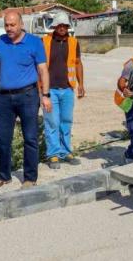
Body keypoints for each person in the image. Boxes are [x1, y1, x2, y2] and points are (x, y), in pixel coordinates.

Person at [0, 12, 52, 191]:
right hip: (4, 97)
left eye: (12, 25)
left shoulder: (34, 42)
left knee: (30, 138)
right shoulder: (1, 41)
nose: (9, 28)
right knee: (2, 139)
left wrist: (45, 95)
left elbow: (43, 70)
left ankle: (30, 178)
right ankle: (3, 176)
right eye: (6, 25)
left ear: (21, 24)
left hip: (28, 96)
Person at [39, 12, 84, 169]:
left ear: (68, 27)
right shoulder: (44, 42)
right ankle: (53, 155)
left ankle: (66, 152)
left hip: (67, 88)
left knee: (66, 121)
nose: (62, 28)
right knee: (52, 122)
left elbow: (78, 63)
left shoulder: (73, 42)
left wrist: (81, 84)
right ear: (54, 26)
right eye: (60, 25)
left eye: (65, 25)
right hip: (49, 90)